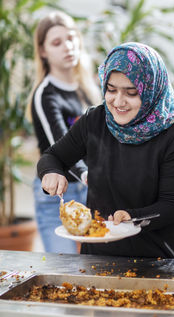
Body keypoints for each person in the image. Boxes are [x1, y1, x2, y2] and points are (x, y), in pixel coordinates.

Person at [37, 42, 174, 259]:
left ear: (151, 89)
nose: (118, 102)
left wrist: (131, 216)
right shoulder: (94, 120)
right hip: (97, 254)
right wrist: (51, 172)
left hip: (158, 258)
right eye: (111, 90)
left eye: (131, 93)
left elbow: (170, 206)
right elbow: (52, 156)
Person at [27, 11, 101, 253]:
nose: (67, 47)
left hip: (90, 189)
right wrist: (88, 175)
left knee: (98, 268)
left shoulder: (88, 88)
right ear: (43, 52)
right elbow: (59, 147)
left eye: (71, 38)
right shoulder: (45, 94)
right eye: (56, 43)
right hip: (56, 197)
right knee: (66, 270)